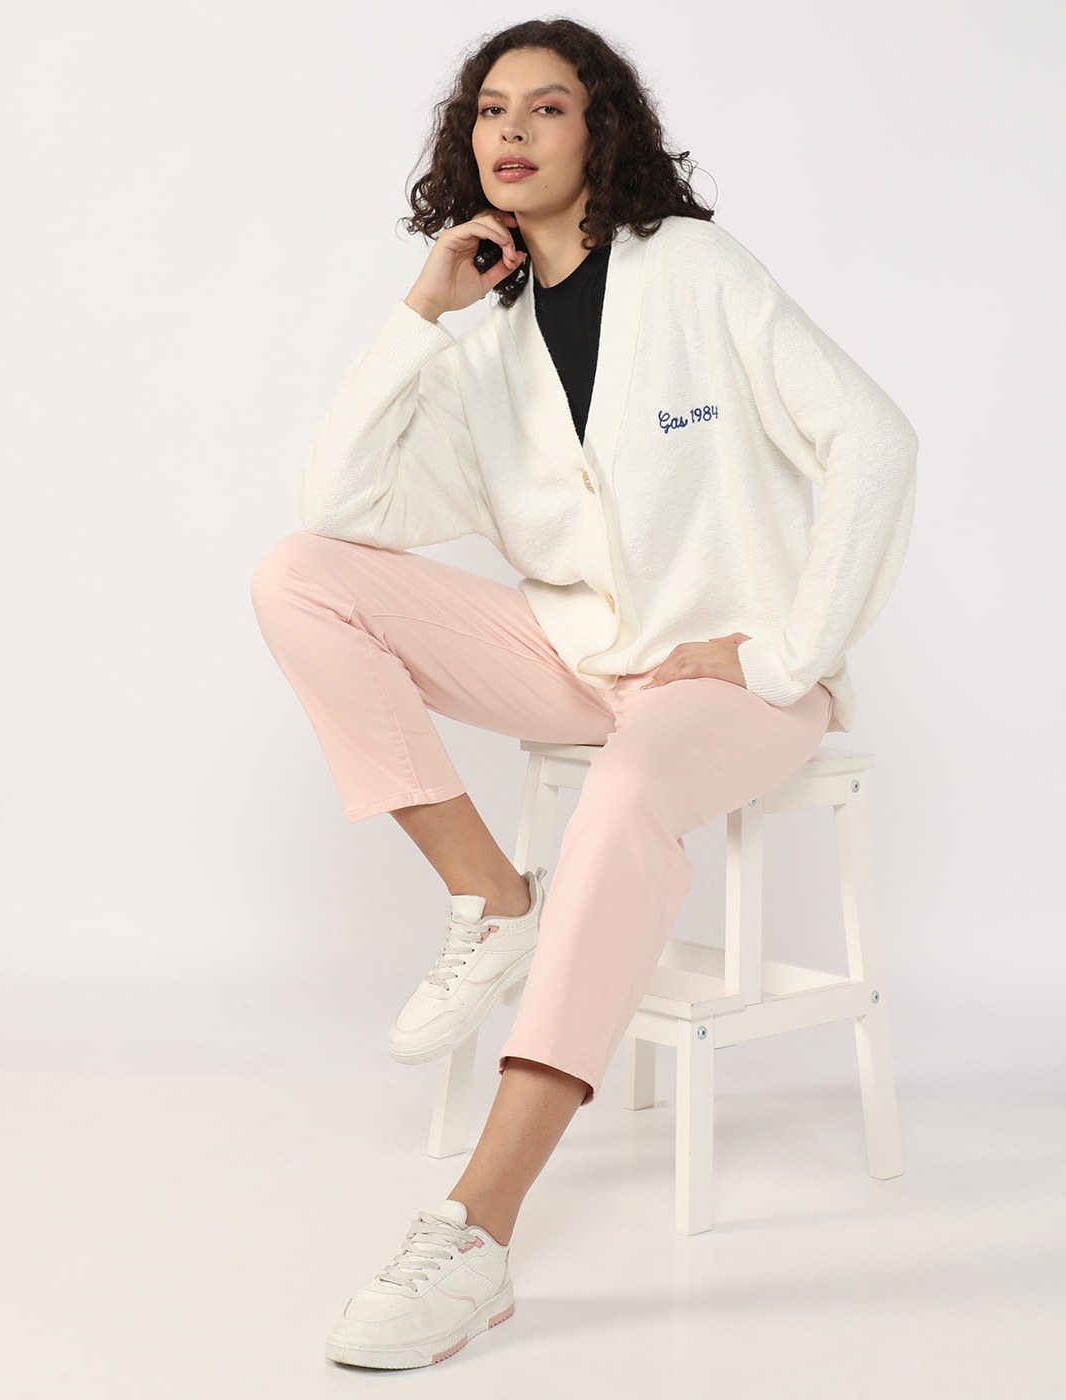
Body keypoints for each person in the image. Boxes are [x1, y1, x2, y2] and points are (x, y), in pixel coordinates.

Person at [250, 16, 918, 1372]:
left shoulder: (692, 272)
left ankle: (476, 1229)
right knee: (297, 576)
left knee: (623, 799)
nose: (510, 129)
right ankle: (494, 899)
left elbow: (873, 435)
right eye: (491, 108)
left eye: (546, 107)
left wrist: (784, 651)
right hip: (580, 660)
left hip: (726, 682)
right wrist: (419, 315)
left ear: (598, 129)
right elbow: (342, 504)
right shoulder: (483, 345)